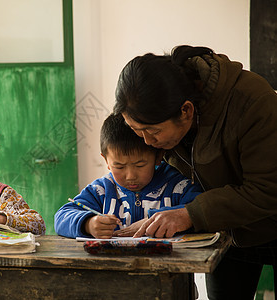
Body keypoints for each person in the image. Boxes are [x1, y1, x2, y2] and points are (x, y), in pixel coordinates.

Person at [113, 45, 277, 299]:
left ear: (186, 111)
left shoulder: (252, 101)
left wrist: (190, 214)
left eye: (153, 132)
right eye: (136, 131)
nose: (146, 142)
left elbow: (268, 189)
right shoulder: (160, 121)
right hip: (226, 232)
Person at [54, 113, 201, 239]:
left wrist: (157, 219)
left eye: (140, 165)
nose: (130, 176)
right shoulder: (102, 190)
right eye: (119, 166)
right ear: (106, 161)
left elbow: (197, 209)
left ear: (158, 157)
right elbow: (61, 217)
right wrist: (88, 224)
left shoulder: (177, 186)